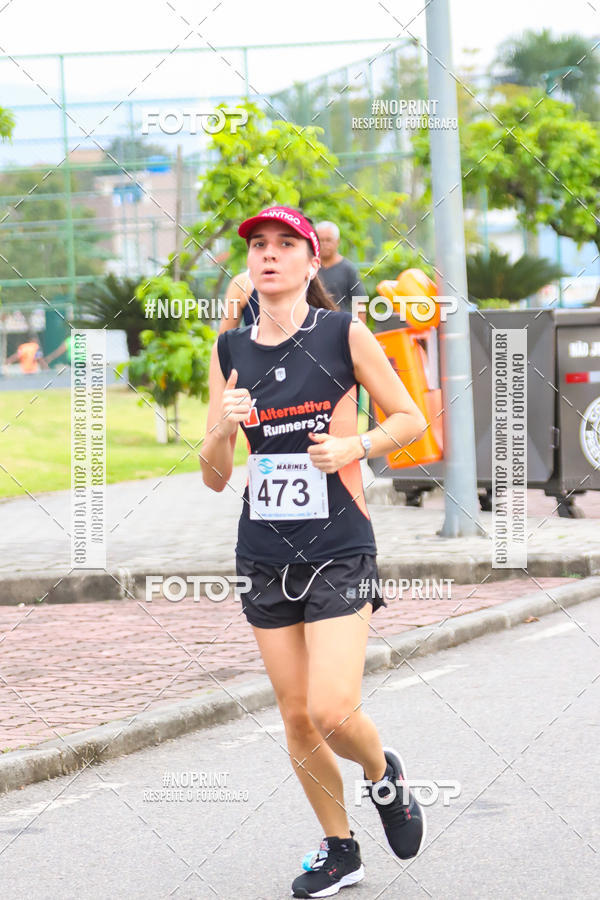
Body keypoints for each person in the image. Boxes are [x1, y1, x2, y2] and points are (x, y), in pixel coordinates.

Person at [200, 205, 427, 898]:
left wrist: (353, 447)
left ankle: (383, 775)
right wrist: (222, 431)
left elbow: (410, 418)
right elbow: (213, 475)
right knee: (296, 715)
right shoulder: (229, 351)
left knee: (333, 708)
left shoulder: (341, 334)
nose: (268, 255)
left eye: (284, 245)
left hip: (338, 545)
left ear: (310, 261)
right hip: (264, 551)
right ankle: (340, 849)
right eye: (257, 246)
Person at [316, 220, 367, 322]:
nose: (324, 244)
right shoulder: (309, 268)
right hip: (313, 326)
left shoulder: (348, 269)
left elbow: (359, 303)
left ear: (337, 241)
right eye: (321, 240)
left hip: (341, 327)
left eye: (328, 240)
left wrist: (359, 330)